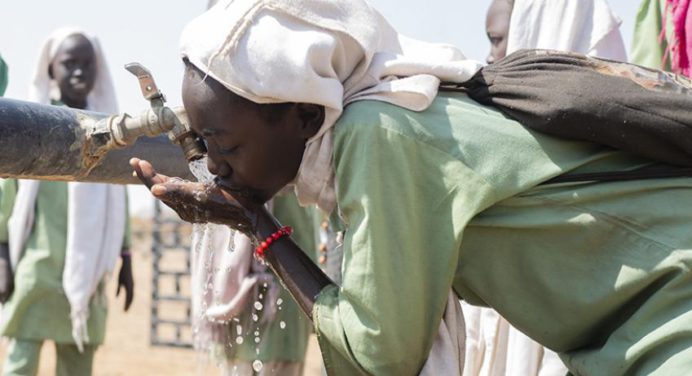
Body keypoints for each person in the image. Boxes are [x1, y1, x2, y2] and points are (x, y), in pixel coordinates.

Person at [131, 1, 692, 375]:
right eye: (202, 145)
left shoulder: (379, 135)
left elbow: (379, 355)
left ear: (304, 116)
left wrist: (258, 225)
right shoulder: (402, 104)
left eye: (224, 146)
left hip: (670, 318)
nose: (214, 166)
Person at [472, 1, 627, 375]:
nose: (491, 56)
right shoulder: (490, 129)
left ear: (540, 36)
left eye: (498, 40)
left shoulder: (610, 163)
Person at [0, 28, 133, 376]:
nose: (79, 71)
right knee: (20, 361)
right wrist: (1, 254)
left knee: (78, 363)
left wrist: (127, 256)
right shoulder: (35, 124)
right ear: (51, 69)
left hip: (88, 273)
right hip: (36, 268)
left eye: (87, 64)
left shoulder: (110, 129)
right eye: (69, 63)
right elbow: (9, 195)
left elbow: (117, 195)